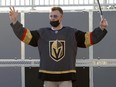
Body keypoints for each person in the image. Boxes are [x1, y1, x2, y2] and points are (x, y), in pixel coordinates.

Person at [9, 6, 108, 87]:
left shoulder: (72, 33)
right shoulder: (41, 33)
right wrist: (14, 22)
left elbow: (89, 38)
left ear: (61, 17)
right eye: (51, 16)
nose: (52, 18)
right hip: (48, 78)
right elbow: (25, 35)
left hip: (66, 77)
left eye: (55, 16)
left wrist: (101, 28)